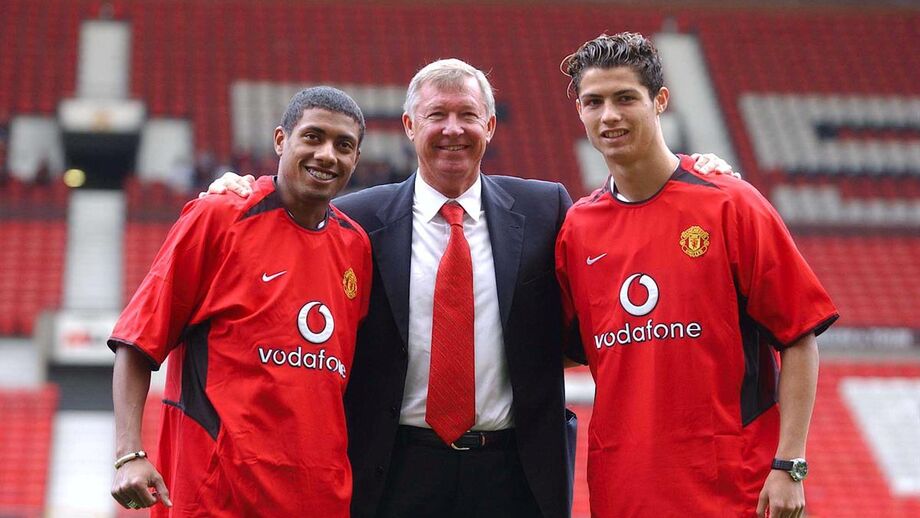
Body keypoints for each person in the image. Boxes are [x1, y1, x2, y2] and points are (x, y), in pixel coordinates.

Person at [209, 59, 737, 518]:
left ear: (490, 125)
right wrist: (240, 189)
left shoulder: (546, 208)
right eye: (436, 115)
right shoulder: (357, 219)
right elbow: (288, 223)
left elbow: (619, 227)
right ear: (410, 126)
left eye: (467, 114)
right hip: (393, 468)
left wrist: (693, 171)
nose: (453, 129)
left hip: (513, 472)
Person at [554, 33, 838, 517]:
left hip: (733, 488)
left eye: (626, 98)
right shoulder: (577, 229)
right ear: (579, 111)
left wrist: (790, 464)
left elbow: (798, 337)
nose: (609, 116)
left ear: (660, 101)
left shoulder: (731, 203)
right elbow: (558, 348)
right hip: (624, 491)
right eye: (594, 102)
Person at [108, 86, 372, 517]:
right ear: (281, 140)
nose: (327, 155)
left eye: (343, 145)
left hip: (318, 499)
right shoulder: (219, 216)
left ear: (356, 158)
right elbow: (137, 341)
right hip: (217, 497)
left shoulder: (356, 246)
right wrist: (128, 453)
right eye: (313, 137)